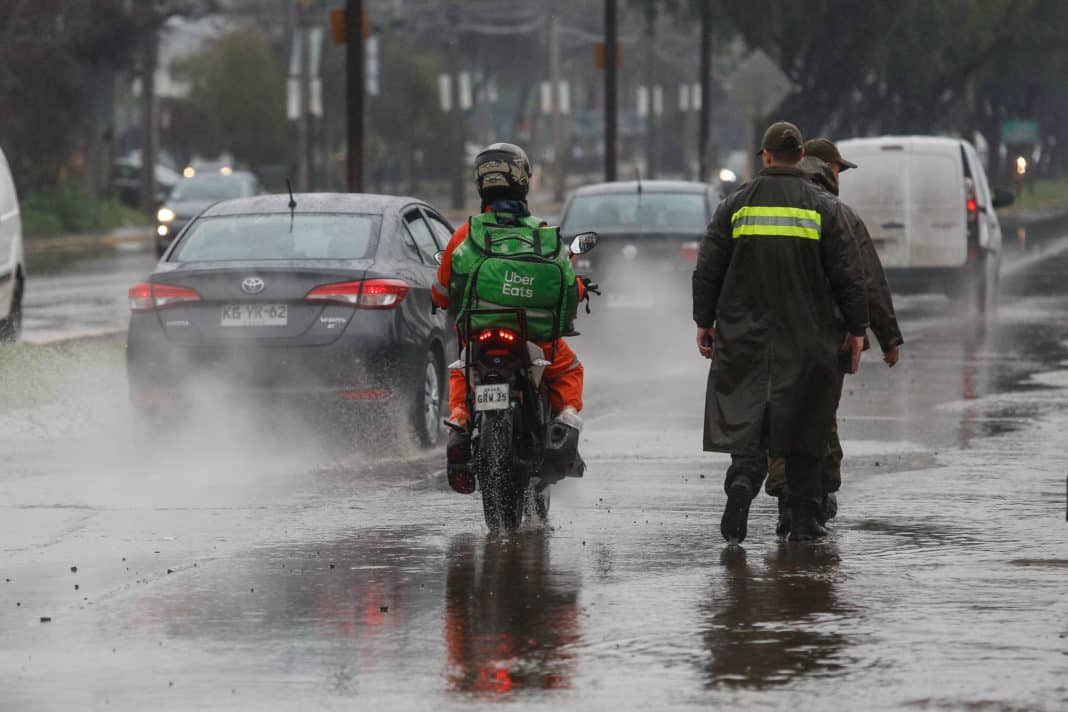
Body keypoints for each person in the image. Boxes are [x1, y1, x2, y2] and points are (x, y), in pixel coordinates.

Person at [692, 121, 869, 543]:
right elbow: (849, 273)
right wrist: (857, 330)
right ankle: (804, 518)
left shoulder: (735, 206)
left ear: (766, 156)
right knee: (807, 425)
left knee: (749, 416)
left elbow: (708, 269)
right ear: (800, 156)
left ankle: (741, 482)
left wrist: (704, 322)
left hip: (743, 337)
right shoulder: (823, 207)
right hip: (808, 340)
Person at [762, 139, 905, 535]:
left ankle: (789, 502)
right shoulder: (837, 212)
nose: (840, 177)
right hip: (824, 339)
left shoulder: (761, 204)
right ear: (825, 167)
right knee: (818, 420)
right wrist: (884, 336)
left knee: (779, 414)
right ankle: (812, 503)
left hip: (767, 335)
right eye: (839, 169)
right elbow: (865, 281)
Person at [432, 142, 587, 494]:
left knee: (463, 366)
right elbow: (568, 287)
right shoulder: (544, 235)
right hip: (533, 339)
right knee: (569, 369)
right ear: (523, 181)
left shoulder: (466, 234)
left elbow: (441, 291)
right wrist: (579, 292)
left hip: (480, 336)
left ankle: (458, 421)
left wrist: (443, 299)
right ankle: (564, 423)